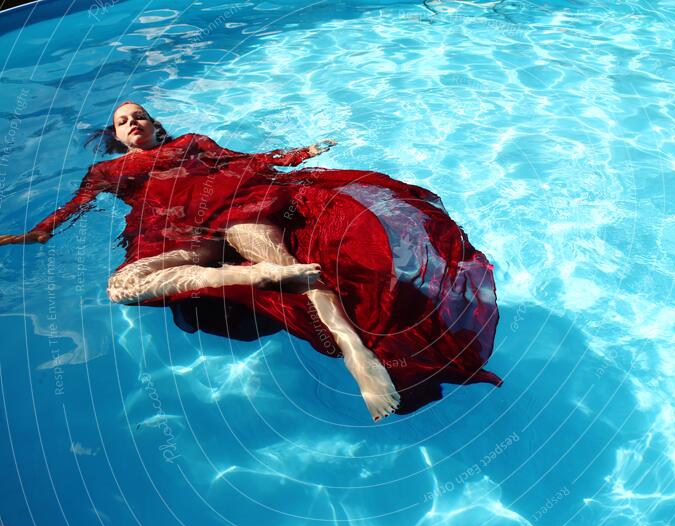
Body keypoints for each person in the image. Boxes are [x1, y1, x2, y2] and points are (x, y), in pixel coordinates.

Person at [0, 102, 502, 420]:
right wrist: (30, 235)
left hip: (233, 205)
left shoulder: (192, 143)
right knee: (122, 284)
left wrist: (296, 153)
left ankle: (357, 356)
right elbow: (65, 214)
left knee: (298, 266)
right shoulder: (107, 171)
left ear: (156, 126)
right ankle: (256, 274)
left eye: (140, 116)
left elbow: (243, 161)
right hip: (174, 231)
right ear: (116, 136)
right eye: (122, 122)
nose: (133, 123)